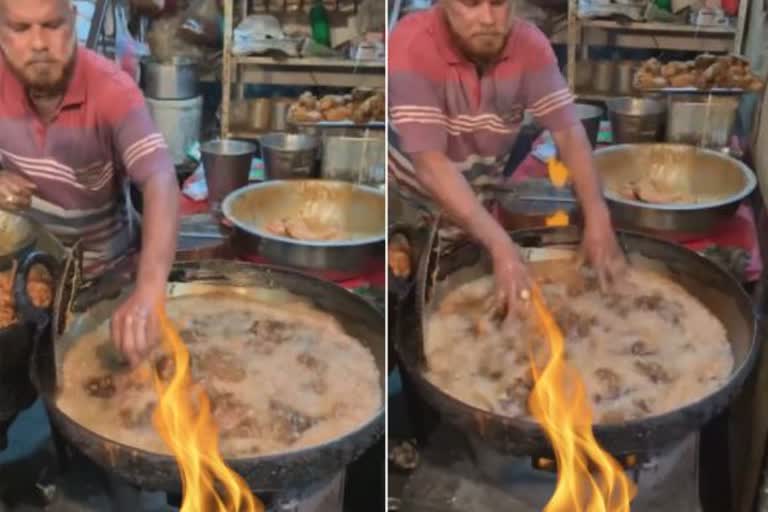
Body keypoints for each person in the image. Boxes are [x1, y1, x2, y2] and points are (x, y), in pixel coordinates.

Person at [388, 0, 625, 315]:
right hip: (408, 218)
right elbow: (431, 165)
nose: (487, 18)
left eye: (498, 3)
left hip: (475, 216)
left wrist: (597, 214)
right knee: (409, 309)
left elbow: (568, 132)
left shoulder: (529, 45)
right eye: (471, 3)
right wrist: (502, 246)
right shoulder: (410, 44)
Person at [0, 0, 179, 366]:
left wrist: (149, 290)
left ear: (73, 21)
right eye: (20, 29)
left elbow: (160, 177)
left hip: (103, 283)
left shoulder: (112, 90)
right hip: (26, 277)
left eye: (52, 25)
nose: (38, 43)